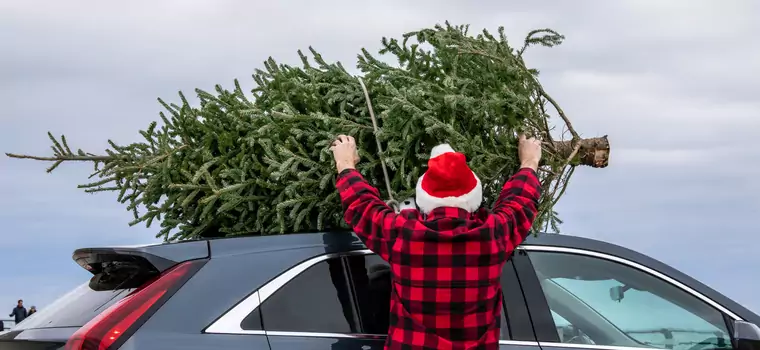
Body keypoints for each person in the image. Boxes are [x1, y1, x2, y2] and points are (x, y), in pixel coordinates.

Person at [331, 134, 542, 350]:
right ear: (473, 196)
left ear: (424, 198)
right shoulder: (493, 235)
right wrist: (529, 162)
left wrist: (345, 164)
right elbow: (520, 201)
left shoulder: (403, 235)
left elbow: (362, 206)